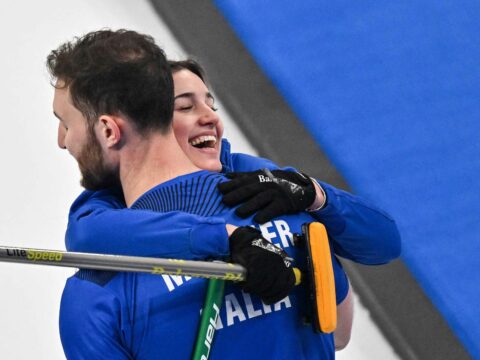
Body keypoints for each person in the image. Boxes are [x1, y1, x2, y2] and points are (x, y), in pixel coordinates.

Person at [48, 29, 352, 359]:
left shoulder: (91, 295)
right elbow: (339, 333)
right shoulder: (279, 208)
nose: (62, 140)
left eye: (66, 123)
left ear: (109, 131)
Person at [65, 59, 401, 267]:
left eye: (210, 104)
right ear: (151, 126)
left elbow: (384, 244)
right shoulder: (115, 197)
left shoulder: (245, 173)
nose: (210, 117)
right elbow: (85, 234)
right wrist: (226, 237)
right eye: (185, 107)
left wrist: (314, 194)